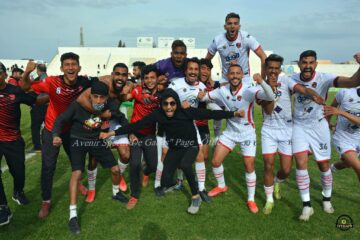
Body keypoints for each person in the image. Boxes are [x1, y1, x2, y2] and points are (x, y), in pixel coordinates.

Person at [100, 88, 244, 214]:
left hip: (190, 145)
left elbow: (210, 114)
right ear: (161, 104)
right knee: (165, 179)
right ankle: (174, 183)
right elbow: (136, 125)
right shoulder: (159, 115)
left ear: (176, 103)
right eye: (165, 104)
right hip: (175, 148)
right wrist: (111, 134)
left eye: (172, 103)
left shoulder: (186, 112)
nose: (169, 107)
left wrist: (234, 114)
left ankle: (196, 197)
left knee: (186, 165)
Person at [21, 52, 100, 218]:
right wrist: (27, 72)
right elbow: (25, 87)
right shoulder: (51, 82)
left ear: (79, 68)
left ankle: (77, 184)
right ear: (61, 68)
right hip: (52, 130)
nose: (70, 67)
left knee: (77, 163)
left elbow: (103, 85)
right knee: (48, 167)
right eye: (67, 65)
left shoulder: (85, 82)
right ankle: (46, 201)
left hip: (72, 131)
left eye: (73, 64)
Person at [291, 50, 360, 221]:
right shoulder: (291, 79)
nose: (307, 66)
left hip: (319, 127)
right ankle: (306, 206)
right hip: (299, 126)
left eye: (311, 62)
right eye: (304, 62)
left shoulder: (324, 78)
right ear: (299, 64)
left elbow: (353, 81)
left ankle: (326, 199)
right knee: (300, 162)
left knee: (323, 166)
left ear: (315, 64)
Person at [52, 81, 128, 234]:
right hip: (77, 140)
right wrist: (55, 135)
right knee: (77, 173)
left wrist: (125, 131)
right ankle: (72, 215)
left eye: (102, 97)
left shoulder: (110, 106)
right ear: (90, 95)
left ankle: (115, 192)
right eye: (95, 96)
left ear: (107, 98)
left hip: (96, 140)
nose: (98, 100)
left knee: (115, 169)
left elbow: (123, 120)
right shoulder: (77, 105)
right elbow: (60, 120)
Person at [198, 64, 274, 214]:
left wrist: (261, 82)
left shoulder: (249, 90)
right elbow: (206, 98)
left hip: (247, 133)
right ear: (227, 75)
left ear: (242, 75)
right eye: (231, 73)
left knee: (249, 165)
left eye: (237, 73)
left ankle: (251, 199)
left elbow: (270, 96)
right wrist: (217, 109)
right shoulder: (222, 90)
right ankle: (222, 186)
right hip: (230, 132)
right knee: (215, 161)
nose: (234, 76)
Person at [258, 54, 324, 215]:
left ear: (279, 69)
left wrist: (312, 93)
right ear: (266, 69)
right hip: (269, 130)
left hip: (287, 130)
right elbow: (268, 109)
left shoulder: (286, 80)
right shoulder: (260, 87)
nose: (273, 71)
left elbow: (300, 88)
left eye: (276, 68)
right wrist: (271, 90)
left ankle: (277, 182)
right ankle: (269, 200)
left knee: (286, 170)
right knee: (268, 164)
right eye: (270, 68)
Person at [76, 63, 133, 202]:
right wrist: (100, 114)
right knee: (94, 159)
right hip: (100, 119)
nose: (120, 78)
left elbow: (137, 86)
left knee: (126, 155)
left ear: (127, 76)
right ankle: (92, 188)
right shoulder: (103, 83)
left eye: (124, 75)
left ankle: (118, 176)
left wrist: (129, 93)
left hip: (116, 117)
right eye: (117, 74)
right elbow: (81, 99)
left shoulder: (128, 86)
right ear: (112, 75)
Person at [0, 62, 39, 226]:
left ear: (3, 74)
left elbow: (33, 99)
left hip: (13, 140)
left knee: (19, 172)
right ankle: (2, 207)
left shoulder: (14, 91)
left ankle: (18, 191)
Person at [120, 65, 160, 209]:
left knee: (153, 166)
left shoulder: (160, 95)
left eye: (152, 77)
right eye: (146, 78)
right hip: (135, 135)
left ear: (157, 79)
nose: (149, 80)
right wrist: (127, 86)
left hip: (150, 135)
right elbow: (123, 97)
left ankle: (146, 170)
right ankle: (134, 195)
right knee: (135, 164)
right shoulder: (137, 90)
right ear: (143, 80)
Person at [205, 12, 267, 85]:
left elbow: (263, 56)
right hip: (225, 79)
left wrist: (262, 81)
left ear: (239, 26)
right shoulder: (218, 40)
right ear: (225, 26)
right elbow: (206, 61)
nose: (232, 26)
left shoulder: (246, 38)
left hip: (244, 79)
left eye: (235, 23)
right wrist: (209, 80)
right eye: (229, 23)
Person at [325, 87, 360, 182]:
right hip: (342, 138)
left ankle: (331, 169)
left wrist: (341, 112)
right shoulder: (345, 93)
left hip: (357, 138)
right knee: (358, 168)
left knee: (348, 164)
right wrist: (328, 124)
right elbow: (331, 108)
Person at [30, 64, 48, 153]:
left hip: (38, 106)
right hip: (48, 106)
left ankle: (37, 146)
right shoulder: (50, 80)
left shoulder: (37, 81)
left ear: (38, 70)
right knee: (49, 126)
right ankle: (49, 143)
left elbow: (32, 93)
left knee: (35, 127)